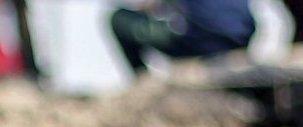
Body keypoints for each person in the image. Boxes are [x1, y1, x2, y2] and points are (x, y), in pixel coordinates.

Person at [109, 0, 256, 76]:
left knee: (118, 18)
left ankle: (143, 82)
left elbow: (147, 5)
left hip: (195, 41)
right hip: (241, 37)